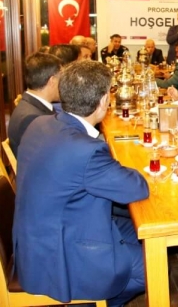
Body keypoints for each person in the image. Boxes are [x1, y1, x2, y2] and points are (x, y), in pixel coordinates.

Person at [13, 60, 150, 306]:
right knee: (152, 266)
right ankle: (99, 302)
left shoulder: (40, 123)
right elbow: (136, 187)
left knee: (137, 229)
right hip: (60, 258)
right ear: (104, 101)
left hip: (37, 240)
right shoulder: (85, 150)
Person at [8, 52, 63, 157]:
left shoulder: (32, 105)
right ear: (52, 81)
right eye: (61, 78)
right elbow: (48, 157)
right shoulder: (32, 118)